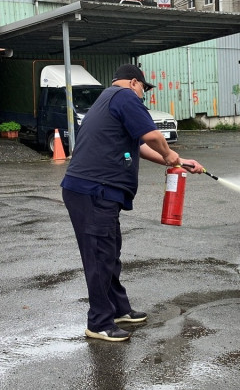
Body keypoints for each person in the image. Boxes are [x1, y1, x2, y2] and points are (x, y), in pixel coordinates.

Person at [61, 64, 204, 342]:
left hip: (99, 192)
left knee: (110, 253)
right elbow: (153, 136)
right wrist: (171, 154)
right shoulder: (125, 96)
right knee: (100, 257)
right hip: (93, 191)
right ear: (135, 83)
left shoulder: (108, 99)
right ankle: (99, 322)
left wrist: (179, 161)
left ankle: (117, 309)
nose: (143, 95)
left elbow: (139, 146)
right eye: (144, 89)